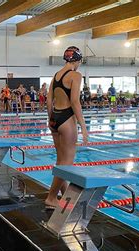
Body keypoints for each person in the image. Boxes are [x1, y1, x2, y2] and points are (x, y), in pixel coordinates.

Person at [44, 46, 88, 210]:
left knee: (60, 160)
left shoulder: (55, 76)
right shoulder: (76, 75)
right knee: (67, 162)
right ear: (77, 60)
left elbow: (49, 101)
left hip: (55, 118)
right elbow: (75, 102)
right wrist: (83, 126)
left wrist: (50, 120)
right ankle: (51, 197)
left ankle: (63, 195)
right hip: (67, 118)